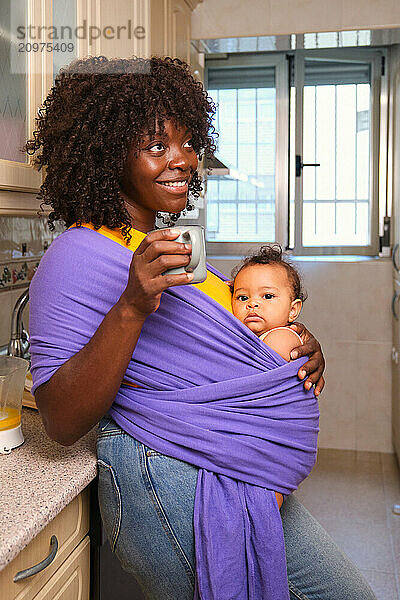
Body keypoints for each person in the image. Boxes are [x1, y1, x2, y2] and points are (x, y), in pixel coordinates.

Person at [26, 55, 376, 599]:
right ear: (107, 151)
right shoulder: (77, 255)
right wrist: (131, 308)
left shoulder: (176, 249)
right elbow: (60, 417)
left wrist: (297, 350)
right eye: (157, 145)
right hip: (167, 476)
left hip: (229, 474)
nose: (183, 161)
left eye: (189, 143)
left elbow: (231, 342)